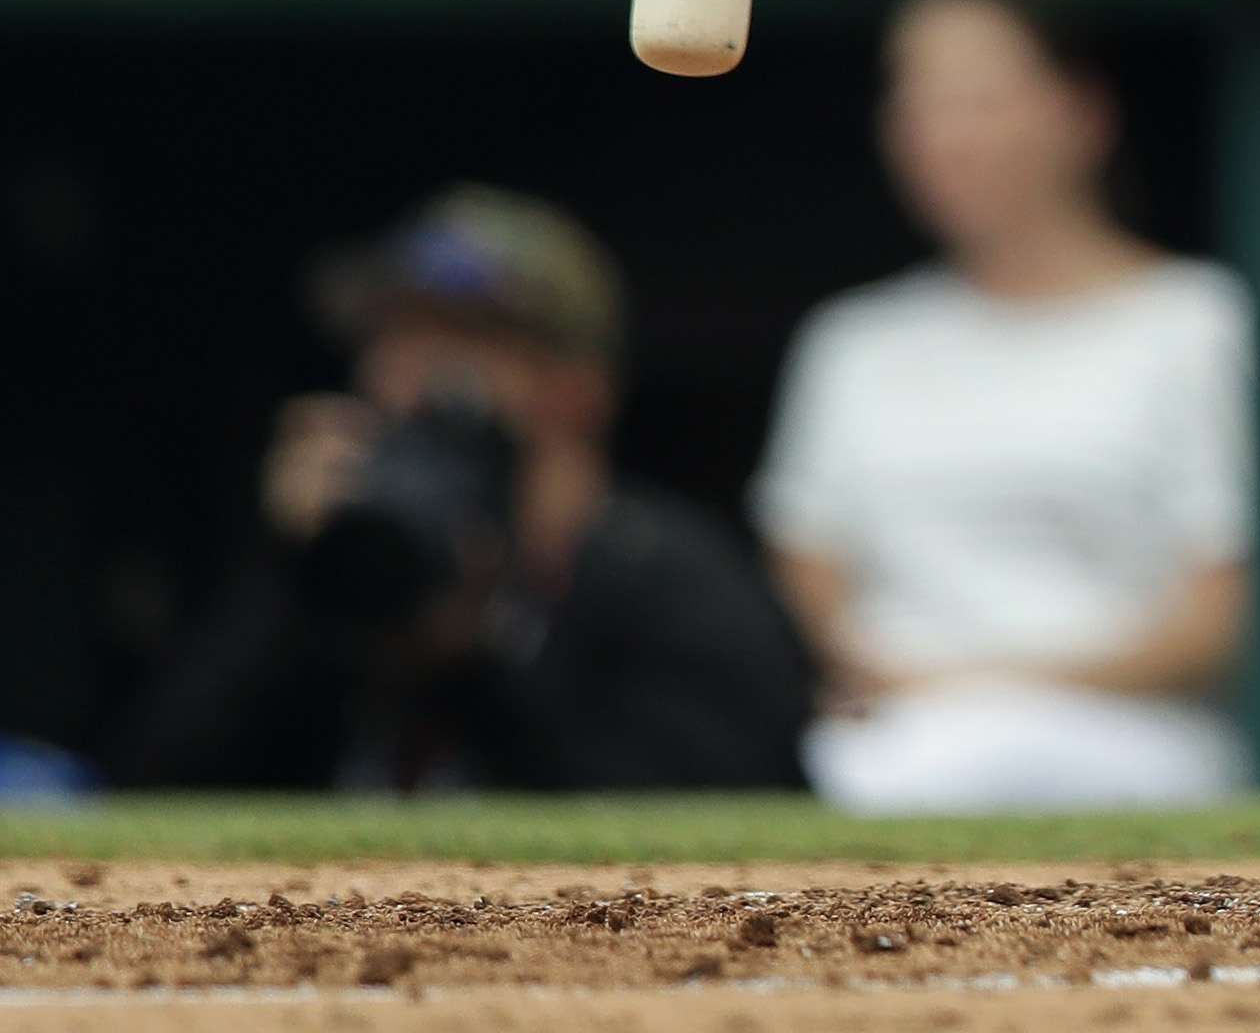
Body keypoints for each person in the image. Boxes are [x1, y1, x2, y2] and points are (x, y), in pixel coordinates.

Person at [117, 187, 809, 793]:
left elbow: (686, 846)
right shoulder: (352, 567)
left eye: (451, 344)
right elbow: (151, 791)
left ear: (573, 388)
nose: (399, 378)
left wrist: (464, 665)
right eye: (386, 340)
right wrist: (298, 576)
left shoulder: (676, 585)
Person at [760, 0, 1252, 814]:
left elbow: (1216, 612)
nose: (941, 137)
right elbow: (808, 560)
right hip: (889, 741)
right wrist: (893, 680)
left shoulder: (1197, 321)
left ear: (1083, 117)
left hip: (1127, 738)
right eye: (915, 104)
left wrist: (987, 687)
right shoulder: (853, 342)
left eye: (975, 101)